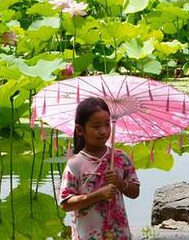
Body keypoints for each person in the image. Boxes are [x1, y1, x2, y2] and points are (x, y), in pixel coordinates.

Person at [60, 97, 140, 240]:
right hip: (88, 235)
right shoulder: (75, 164)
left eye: (107, 125)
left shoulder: (120, 158)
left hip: (119, 234)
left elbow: (135, 192)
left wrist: (119, 182)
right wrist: (98, 195)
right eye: (96, 126)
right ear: (80, 130)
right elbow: (66, 204)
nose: (103, 131)